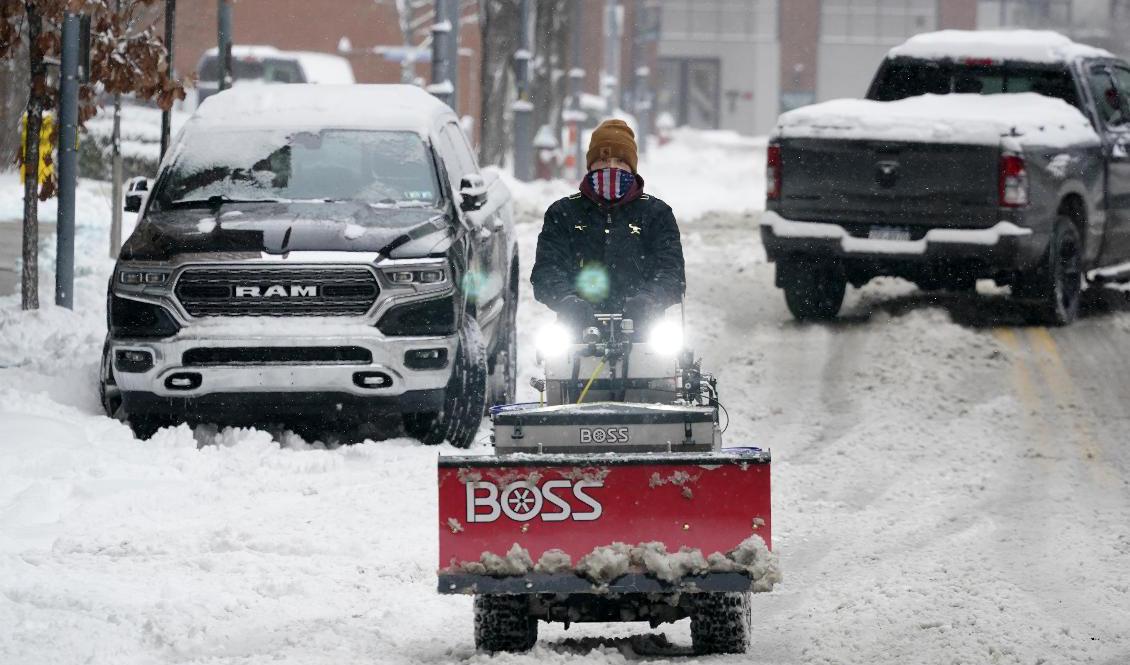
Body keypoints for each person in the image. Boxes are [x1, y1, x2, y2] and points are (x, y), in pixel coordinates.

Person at [531, 119, 686, 332]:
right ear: (591, 165)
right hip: (576, 333)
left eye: (620, 162)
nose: (611, 168)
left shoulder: (656, 213)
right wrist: (568, 302)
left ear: (631, 168)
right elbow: (546, 271)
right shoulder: (563, 213)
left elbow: (672, 273)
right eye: (604, 161)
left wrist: (649, 300)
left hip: (646, 333)